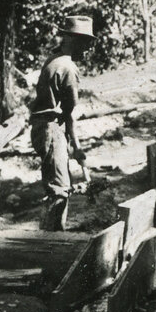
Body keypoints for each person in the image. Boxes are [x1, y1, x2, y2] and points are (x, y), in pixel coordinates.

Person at [29, 15, 94, 231]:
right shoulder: (67, 67)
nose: (88, 48)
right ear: (73, 40)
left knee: (58, 183)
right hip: (50, 127)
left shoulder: (54, 60)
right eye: (86, 42)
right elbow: (69, 113)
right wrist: (76, 145)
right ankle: (52, 243)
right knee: (59, 189)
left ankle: (52, 237)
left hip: (45, 127)